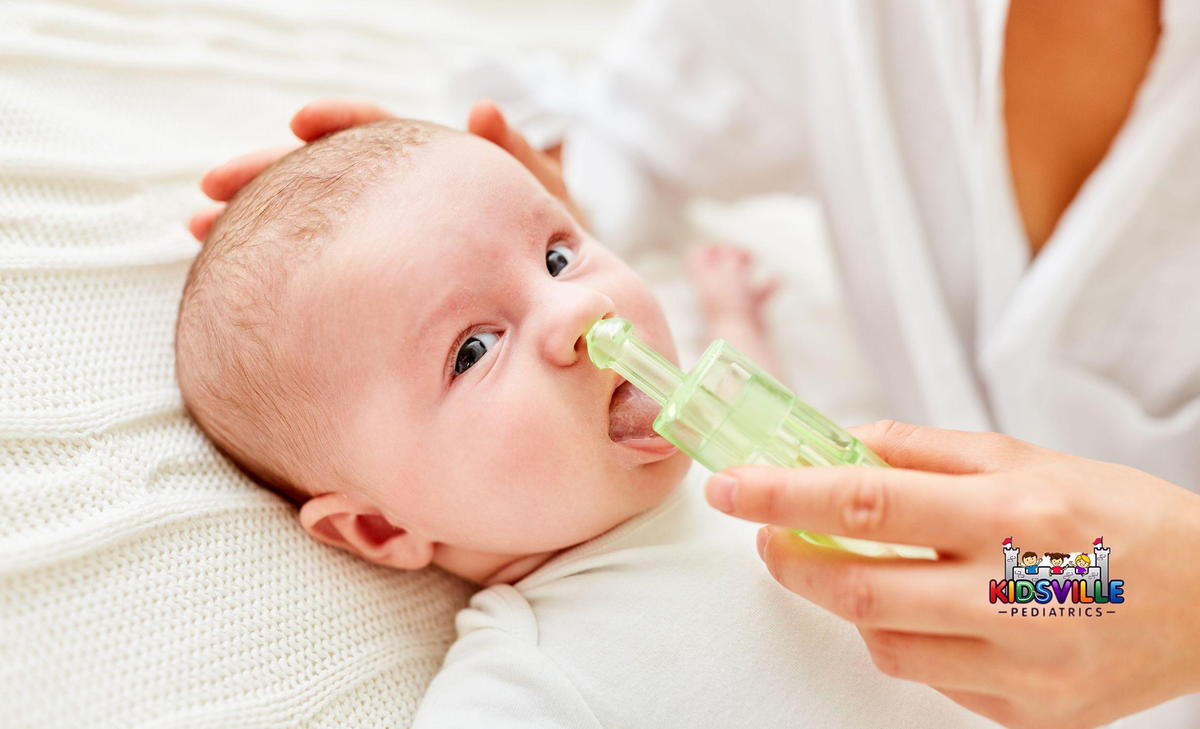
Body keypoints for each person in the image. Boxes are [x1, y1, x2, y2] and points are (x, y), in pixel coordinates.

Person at [189, 1, 1200, 726]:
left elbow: (1086, 593)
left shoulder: (785, 473)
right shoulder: (537, 680)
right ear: (375, 525)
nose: (579, 310)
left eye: (556, 256)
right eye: (471, 348)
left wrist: (1135, 593)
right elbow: (633, 135)